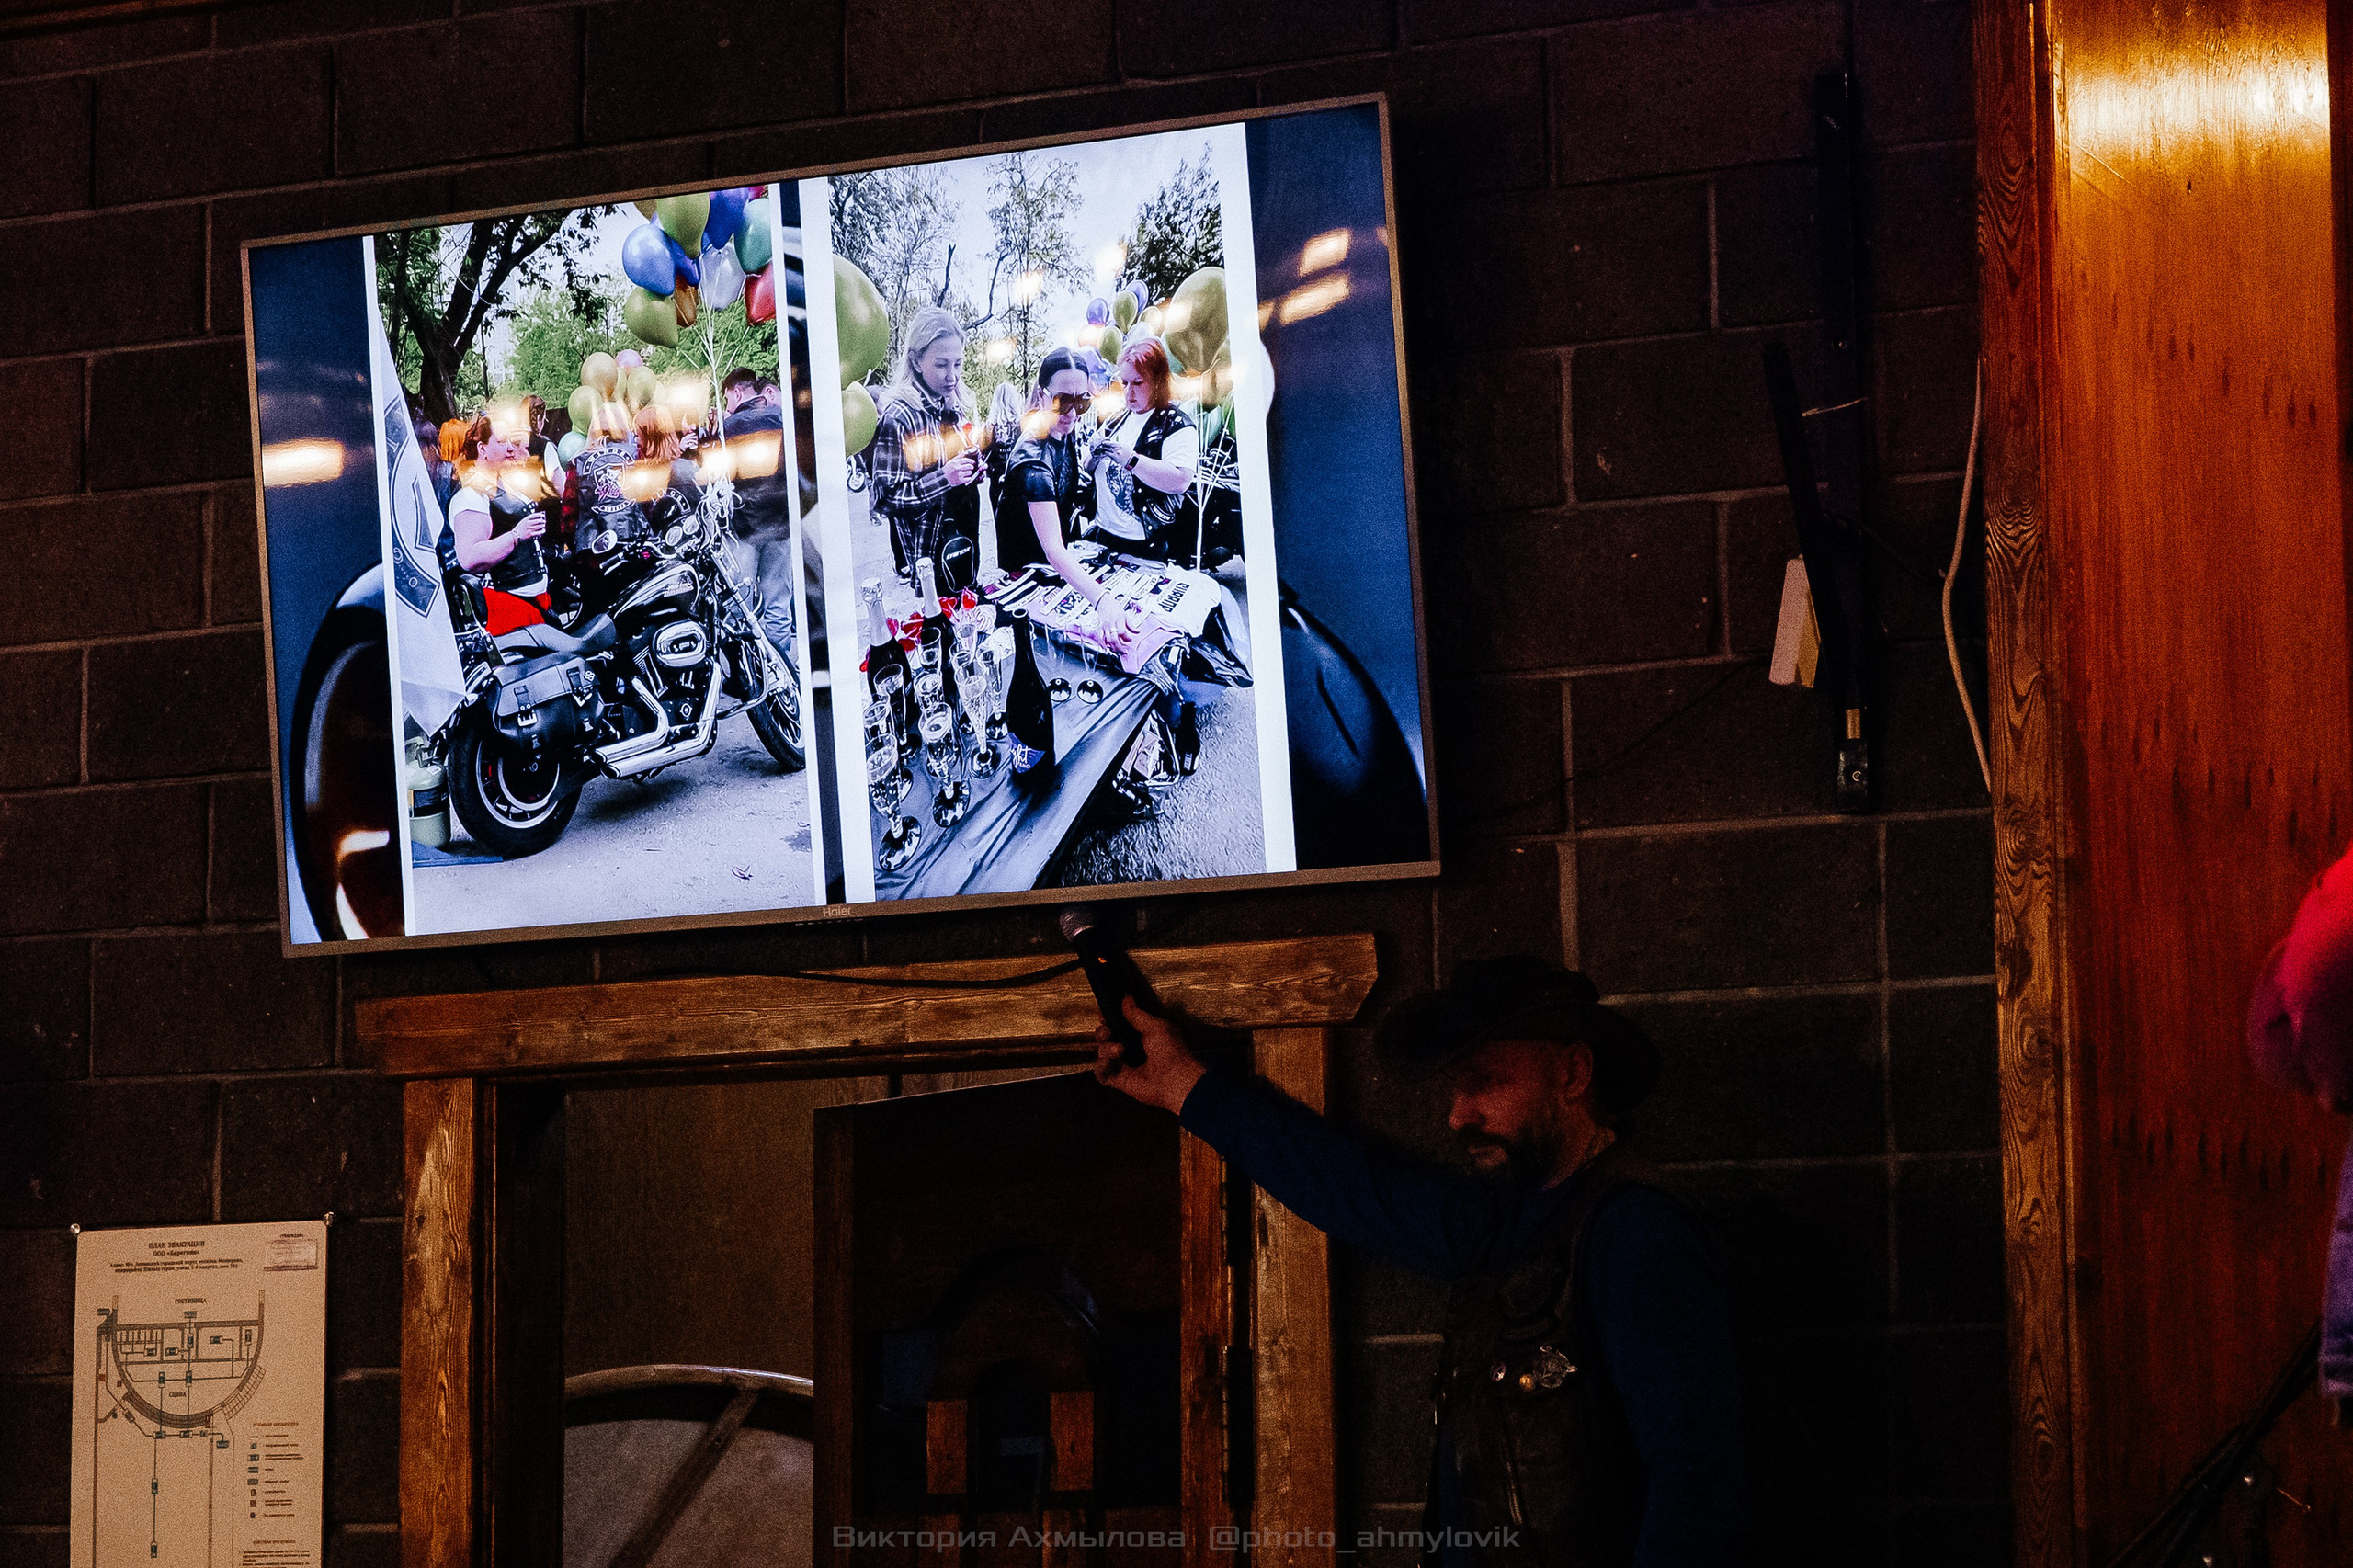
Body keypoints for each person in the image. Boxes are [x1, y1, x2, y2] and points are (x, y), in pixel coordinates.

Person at [1095, 955, 1748, 1567]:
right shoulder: (1501, 1227)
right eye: (1456, 1087)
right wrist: (1185, 1086)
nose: (1458, 1115)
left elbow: (1699, 1480)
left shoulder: (1635, 1233)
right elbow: (1351, 1189)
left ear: (1572, 1075)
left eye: (1484, 1082)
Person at [868, 307, 983, 588]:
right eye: (941, 364)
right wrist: (945, 478)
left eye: (958, 364)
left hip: (966, 545)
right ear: (917, 361)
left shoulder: (953, 406)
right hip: (932, 555)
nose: (952, 375)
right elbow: (885, 500)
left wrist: (974, 471)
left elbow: (957, 470)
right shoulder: (900, 415)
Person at [1085, 337, 1198, 561]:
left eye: (1138, 383)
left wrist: (1132, 460)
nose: (1129, 392)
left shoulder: (1176, 424)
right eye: (1125, 383)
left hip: (1148, 546)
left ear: (1157, 381)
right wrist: (1093, 456)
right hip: (1103, 536)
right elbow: (1088, 467)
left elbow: (1181, 481)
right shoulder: (1115, 419)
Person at [718, 365, 798, 657]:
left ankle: (752, 666)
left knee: (743, 604)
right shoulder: (780, 418)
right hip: (780, 523)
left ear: (736, 392)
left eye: (727, 398)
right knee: (778, 599)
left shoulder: (729, 429)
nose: (727, 404)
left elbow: (717, 477)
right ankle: (782, 666)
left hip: (745, 529)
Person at [446, 415, 550, 601]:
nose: (510, 447)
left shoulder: (500, 484)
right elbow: (470, 557)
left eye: (511, 440)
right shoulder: (471, 495)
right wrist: (516, 536)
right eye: (502, 441)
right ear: (482, 448)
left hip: (530, 602)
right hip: (506, 607)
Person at [570, 403, 641, 553]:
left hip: (592, 549)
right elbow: (648, 501)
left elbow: (569, 513)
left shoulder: (578, 462)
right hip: (635, 542)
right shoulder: (637, 455)